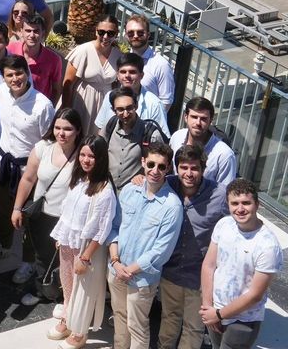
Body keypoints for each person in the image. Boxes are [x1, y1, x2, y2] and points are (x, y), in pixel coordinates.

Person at [107, 143, 184, 349]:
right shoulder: (129, 191)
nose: (155, 170)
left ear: (168, 169)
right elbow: (114, 228)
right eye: (151, 164)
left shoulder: (172, 206)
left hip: (141, 279)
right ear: (143, 163)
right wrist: (115, 263)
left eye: (161, 166)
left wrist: (129, 270)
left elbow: (161, 251)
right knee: (120, 318)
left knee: (137, 326)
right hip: (116, 270)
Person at [48, 135, 118, 349]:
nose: (86, 160)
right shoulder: (79, 179)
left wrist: (86, 256)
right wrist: (61, 236)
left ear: (101, 159)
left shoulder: (105, 190)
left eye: (92, 156)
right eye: (83, 155)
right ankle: (68, 319)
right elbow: (67, 209)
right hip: (69, 240)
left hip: (87, 247)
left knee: (84, 290)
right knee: (68, 284)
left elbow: (102, 229)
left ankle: (80, 332)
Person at [157, 145, 228, 349]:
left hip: (199, 278)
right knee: (169, 319)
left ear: (203, 169)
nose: (189, 173)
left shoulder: (220, 194)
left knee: (193, 328)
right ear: (176, 168)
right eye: (184, 167)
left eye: (194, 168)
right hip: (170, 272)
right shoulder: (167, 184)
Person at [11, 109, 82, 307]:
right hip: (42, 214)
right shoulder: (43, 148)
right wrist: (17, 208)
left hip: (68, 218)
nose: (61, 133)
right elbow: (28, 178)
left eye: (67, 129)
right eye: (58, 128)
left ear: (77, 130)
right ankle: (43, 290)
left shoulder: (83, 154)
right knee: (42, 257)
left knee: (65, 259)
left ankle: (65, 294)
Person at [200, 179, 283, 349]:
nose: (240, 208)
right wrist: (208, 306)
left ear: (257, 205)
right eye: (235, 203)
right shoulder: (223, 225)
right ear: (228, 204)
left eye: (246, 203)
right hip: (215, 309)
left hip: (243, 320)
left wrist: (219, 315)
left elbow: (255, 295)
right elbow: (208, 265)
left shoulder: (268, 245)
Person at [0, 55, 55, 278]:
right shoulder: (1, 92)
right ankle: (3, 245)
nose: (15, 79)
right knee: (3, 208)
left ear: (27, 73)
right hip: (5, 165)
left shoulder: (42, 105)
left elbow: (49, 142)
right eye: (9, 75)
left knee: (30, 218)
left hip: (31, 171)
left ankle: (28, 262)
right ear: (3, 77)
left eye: (19, 73)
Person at [63, 15, 122, 133]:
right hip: (82, 102)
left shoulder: (118, 56)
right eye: (102, 32)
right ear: (96, 32)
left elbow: (116, 85)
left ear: (116, 34)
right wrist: (66, 109)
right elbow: (67, 84)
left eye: (110, 33)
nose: (105, 37)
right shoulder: (83, 50)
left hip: (105, 103)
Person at [102, 87, 169, 191]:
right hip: (106, 190)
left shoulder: (150, 134)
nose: (125, 114)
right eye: (120, 109)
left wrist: (145, 177)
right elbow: (98, 152)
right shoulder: (110, 126)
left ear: (136, 106)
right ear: (113, 110)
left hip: (133, 194)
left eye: (129, 108)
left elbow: (162, 168)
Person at [94, 53, 171, 137]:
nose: (127, 75)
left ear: (141, 75)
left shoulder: (154, 104)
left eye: (132, 72)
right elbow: (101, 129)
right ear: (118, 75)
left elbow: (162, 137)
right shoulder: (109, 97)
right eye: (123, 72)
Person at [169, 97, 237, 187]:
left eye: (203, 119)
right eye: (194, 117)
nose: (198, 123)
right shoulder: (176, 137)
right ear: (186, 117)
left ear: (211, 121)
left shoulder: (224, 155)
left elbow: (226, 193)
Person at [7, 14, 63, 104]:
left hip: (39, 109)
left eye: (36, 31)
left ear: (43, 33)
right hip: (13, 105)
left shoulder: (54, 59)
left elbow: (57, 89)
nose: (32, 35)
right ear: (21, 32)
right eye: (28, 31)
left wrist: (49, 110)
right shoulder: (10, 50)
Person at [125, 15, 175, 110]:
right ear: (126, 35)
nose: (135, 36)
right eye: (131, 33)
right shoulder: (124, 59)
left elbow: (166, 102)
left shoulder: (161, 65)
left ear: (148, 35)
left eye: (140, 33)